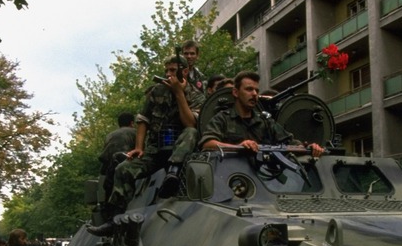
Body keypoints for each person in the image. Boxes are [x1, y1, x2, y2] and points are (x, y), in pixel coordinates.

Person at [87, 55, 206, 236]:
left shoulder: (196, 96)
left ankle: (172, 175)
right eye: (166, 70)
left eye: (172, 70)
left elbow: (190, 123)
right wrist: (139, 147)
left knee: (191, 132)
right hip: (155, 150)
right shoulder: (156, 92)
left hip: (181, 155)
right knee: (123, 169)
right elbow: (143, 120)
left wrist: (179, 93)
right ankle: (114, 221)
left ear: (185, 71)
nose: (168, 74)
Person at [200, 70, 324, 157]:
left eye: (256, 90)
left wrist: (309, 148)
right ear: (236, 93)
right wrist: (240, 147)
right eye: (249, 89)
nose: (254, 94)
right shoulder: (222, 119)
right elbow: (208, 144)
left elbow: (289, 142)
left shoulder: (265, 121)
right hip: (233, 175)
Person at [98, 112, 136, 200]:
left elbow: (104, 157)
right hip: (127, 166)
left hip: (109, 169)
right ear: (131, 123)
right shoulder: (135, 132)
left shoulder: (110, 135)